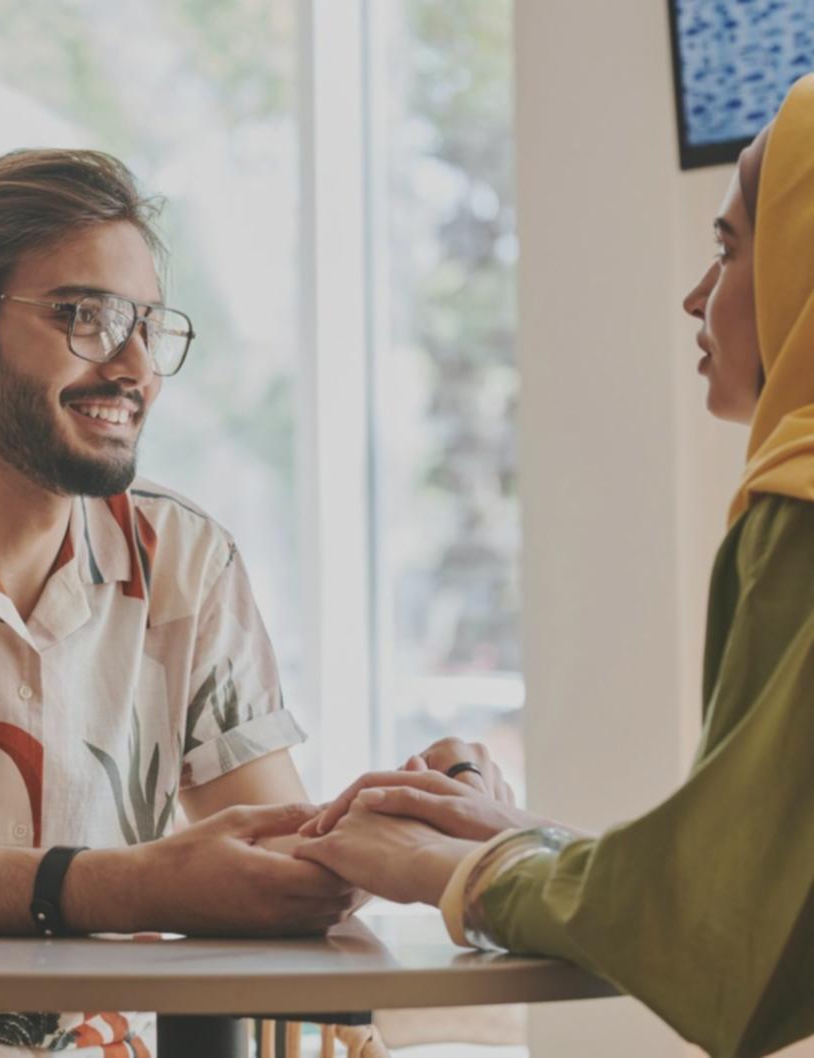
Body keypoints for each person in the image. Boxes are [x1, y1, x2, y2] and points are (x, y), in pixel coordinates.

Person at [0, 148, 506, 1054]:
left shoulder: (185, 558)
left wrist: (392, 817)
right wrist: (136, 885)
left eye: (148, 327)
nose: (135, 367)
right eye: (85, 316)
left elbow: (268, 862)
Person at [293, 76, 814, 1058]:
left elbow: (729, 938)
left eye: (728, 245)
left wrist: (465, 873)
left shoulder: (799, 503)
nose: (696, 294)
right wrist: (539, 846)